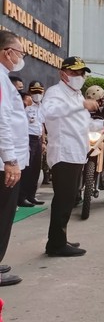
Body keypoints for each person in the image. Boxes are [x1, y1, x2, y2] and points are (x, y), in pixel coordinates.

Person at [41, 56, 104, 257]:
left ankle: (59, 238)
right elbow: (48, 113)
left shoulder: (77, 96)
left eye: (82, 73)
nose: (80, 76)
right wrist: (82, 106)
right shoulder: (55, 93)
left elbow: (85, 124)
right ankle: (55, 245)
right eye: (75, 72)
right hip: (63, 153)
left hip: (78, 152)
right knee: (63, 199)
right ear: (63, 74)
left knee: (69, 199)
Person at [0, 30, 29, 287]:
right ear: (7, 53)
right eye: (19, 52)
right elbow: (2, 120)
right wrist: (10, 160)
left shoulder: (3, 78)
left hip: (6, 160)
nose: (21, 57)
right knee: (3, 213)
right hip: (3, 163)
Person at [18, 81, 46, 207]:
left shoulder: (42, 106)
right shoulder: (25, 106)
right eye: (34, 92)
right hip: (28, 139)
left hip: (38, 139)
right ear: (29, 92)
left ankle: (31, 195)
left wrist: (44, 141)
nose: (37, 94)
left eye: (39, 92)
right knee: (27, 170)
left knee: (36, 168)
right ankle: (21, 197)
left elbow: (42, 125)